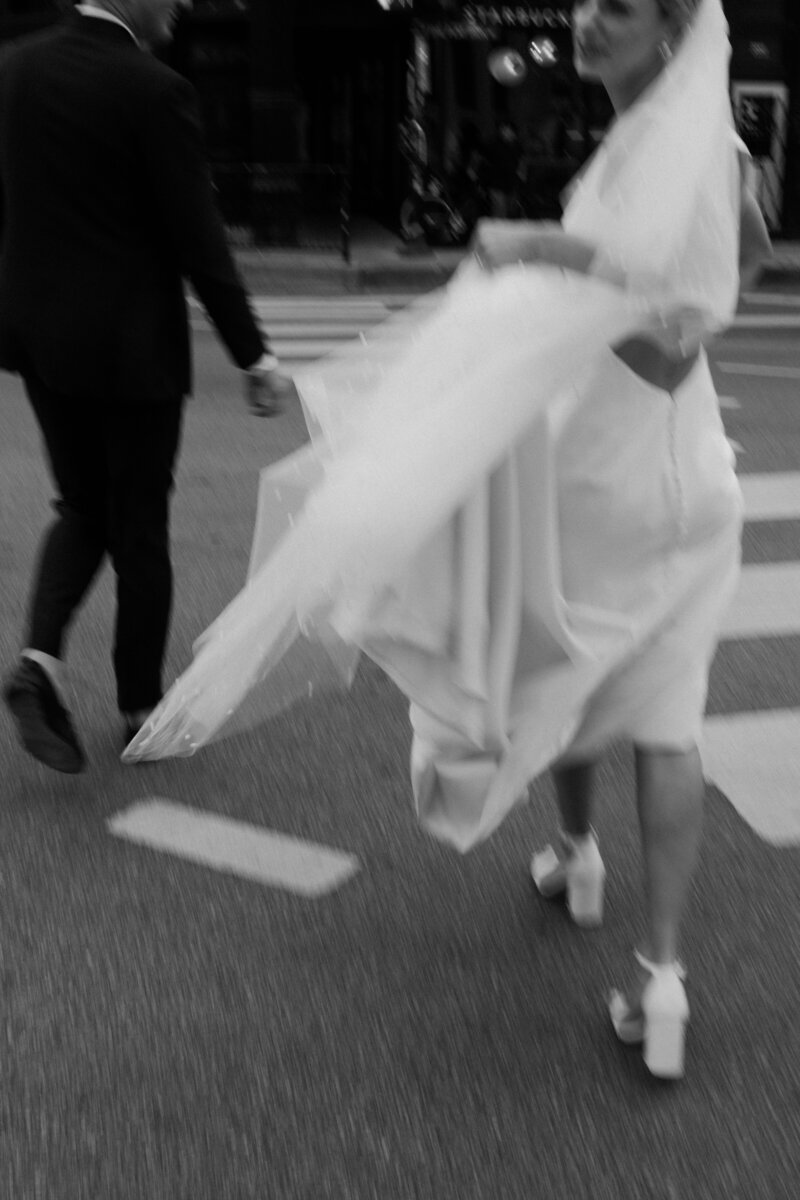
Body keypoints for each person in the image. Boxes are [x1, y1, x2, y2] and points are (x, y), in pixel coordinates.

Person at [123, 0, 771, 1080]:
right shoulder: (693, 140)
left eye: (616, 8)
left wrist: (538, 255)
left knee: (559, 651)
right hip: (681, 475)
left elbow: (661, 341)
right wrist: (576, 281)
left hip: (612, 474)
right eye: (587, 2)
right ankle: (653, 971)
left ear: (670, 33)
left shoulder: (676, 146)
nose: (584, 20)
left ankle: (580, 857)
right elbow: (731, 265)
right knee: (665, 714)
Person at [0, 0, 293, 773]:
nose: (183, 6)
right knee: (138, 526)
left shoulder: (14, 67)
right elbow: (198, 236)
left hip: (41, 338)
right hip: (132, 348)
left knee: (80, 504)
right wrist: (252, 356)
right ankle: (139, 707)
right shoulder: (154, 89)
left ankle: (38, 662)